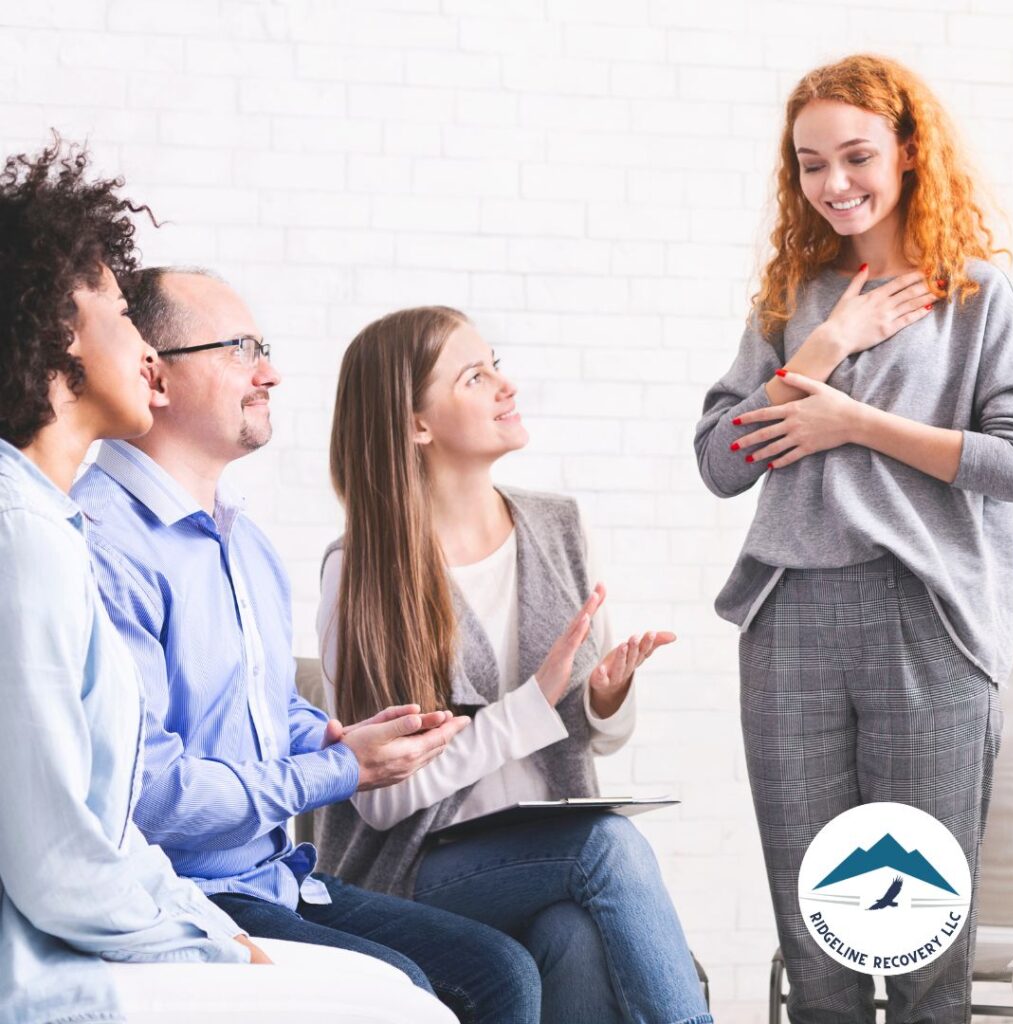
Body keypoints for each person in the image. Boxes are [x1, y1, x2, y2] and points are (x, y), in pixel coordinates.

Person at [0, 139, 455, 1024]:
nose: (140, 347)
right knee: (413, 1005)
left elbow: (92, 822)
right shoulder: (36, 536)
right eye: (120, 316)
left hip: (171, 905)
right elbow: (67, 855)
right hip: (81, 951)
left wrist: (324, 740)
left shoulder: (49, 521)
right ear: (60, 327)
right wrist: (202, 929)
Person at [71, 266, 542, 1024]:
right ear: (155, 376)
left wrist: (332, 735)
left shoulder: (242, 541)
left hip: (276, 874)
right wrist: (337, 769)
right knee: (405, 991)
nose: (271, 372)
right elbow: (153, 799)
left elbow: (257, 704)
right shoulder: (102, 543)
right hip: (189, 892)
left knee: (500, 971)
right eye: (239, 350)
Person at [694, 54, 1013, 1022]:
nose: (833, 184)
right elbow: (719, 460)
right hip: (788, 619)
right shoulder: (789, 301)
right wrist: (826, 346)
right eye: (808, 164)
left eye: (855, 157)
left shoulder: (974, 295)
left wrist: (856, 424)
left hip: (924, 617)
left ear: (908, 152)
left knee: (919, 941)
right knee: (820, 939)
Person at [315, 305, 713, 1024]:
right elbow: (378, 801)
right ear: (416, 425)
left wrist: (602, 698)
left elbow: (598, 737)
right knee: (607, 848)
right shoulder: (362, 571)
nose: (506, 385)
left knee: (576, 938)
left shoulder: (559, 527)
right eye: (475, 376)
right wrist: (530, 707)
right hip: (412, 870)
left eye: (495, 363)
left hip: (538, 861)